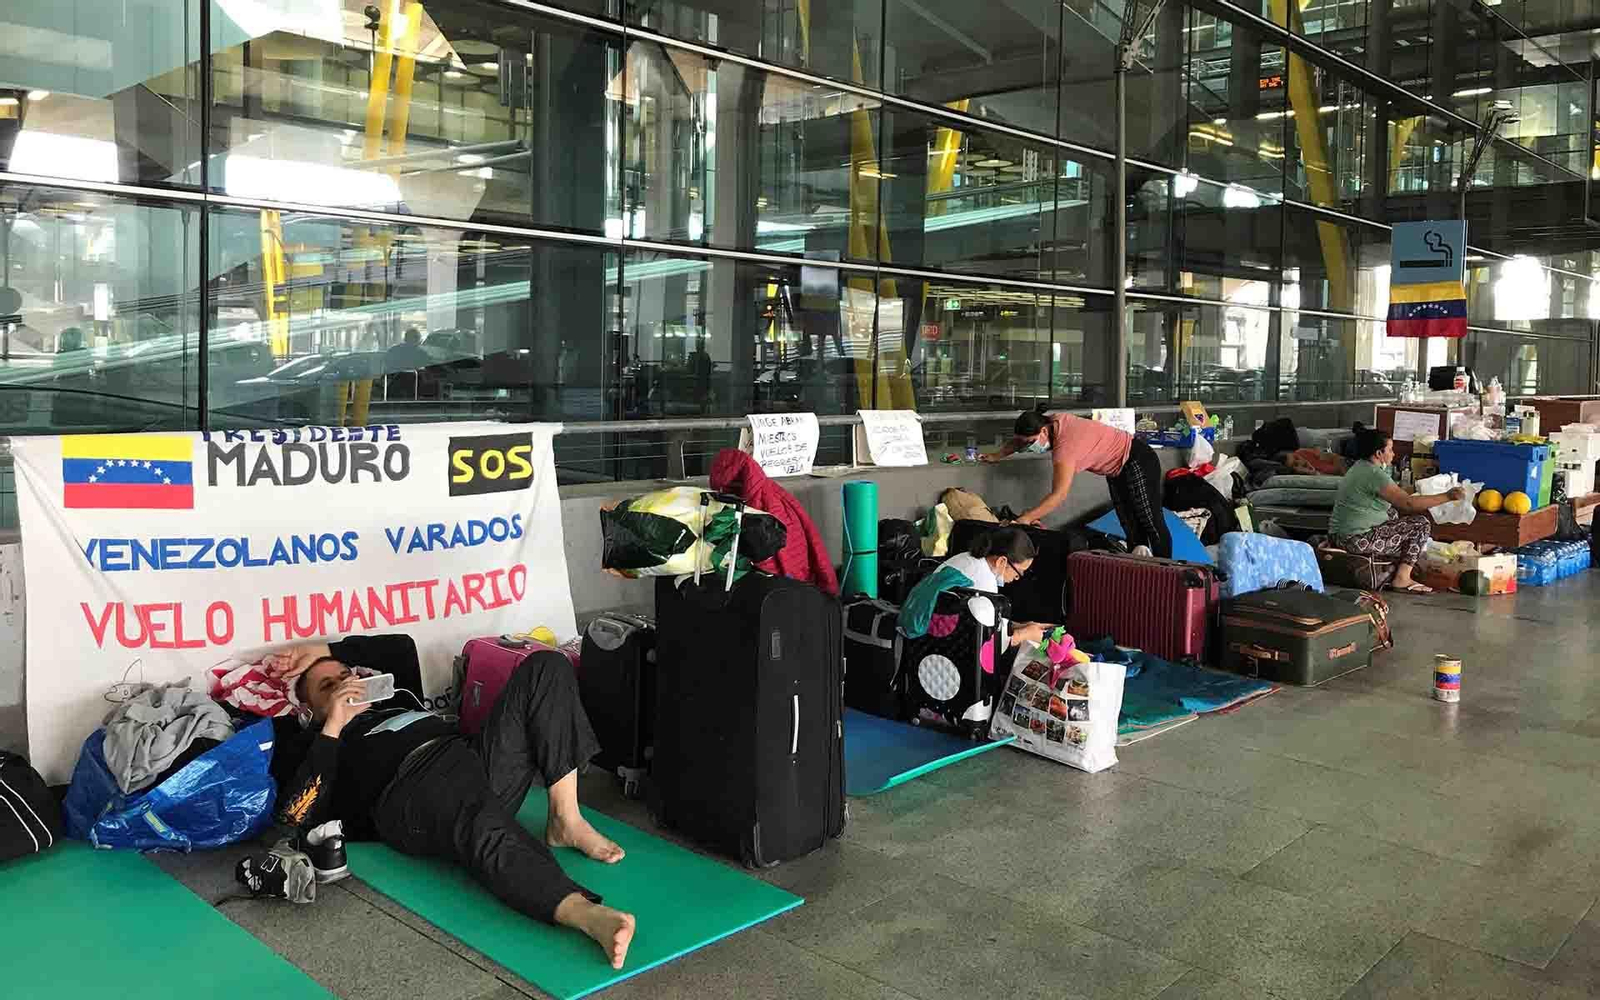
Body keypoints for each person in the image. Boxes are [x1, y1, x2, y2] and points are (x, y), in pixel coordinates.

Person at [264, 635, 636, 969]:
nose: (345, 686)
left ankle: (565, 817)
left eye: (346, 676)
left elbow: (398, 645)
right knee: (477, 820)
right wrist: (333, 724)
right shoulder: (312, 741)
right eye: (328, 686)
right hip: (409, 792)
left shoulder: (395, 696)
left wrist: (321, 650)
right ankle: (584, 913)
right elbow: (294, 814)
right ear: (308, 711)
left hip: (469, 757)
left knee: (546, 666)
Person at [983, 404, 1171, 558]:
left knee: (1149, 519)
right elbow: (1019, 441)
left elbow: (1059, 495)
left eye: (1030, 443)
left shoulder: (1065, 446)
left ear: (1043, 431)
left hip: (1137, 459)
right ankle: (1141, 569)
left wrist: (1026, 519)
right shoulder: (1049, 422)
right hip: (1116, 468)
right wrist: (996, 455)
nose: (1028, 447)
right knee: (1129, 522)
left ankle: (1167, 570)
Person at [1328, 428, 1464, 594]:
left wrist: (1420, 487)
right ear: (1379, 453)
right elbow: (1408, 503)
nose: (1393, 454)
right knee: (1420, 525)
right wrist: (1448, 496)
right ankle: (1402, 577)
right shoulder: (1374, 474)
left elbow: (1396, 493)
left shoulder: (1360, 467)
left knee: (1392, 513)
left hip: (1338, 536)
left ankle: (1395, 566)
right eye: (1390, 450)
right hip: (1355, 540)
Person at [709, 448, 839, 595]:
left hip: (782, 582)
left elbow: (781, 553)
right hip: (790, 579)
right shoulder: (773, 494)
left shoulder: (766, 503)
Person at [903, 525, 1053, 647]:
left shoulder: (967, 558)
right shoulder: (986, 584)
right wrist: (1025, 634)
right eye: (1019, 572)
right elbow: (991, 645)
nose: (1017, 578)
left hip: (920, 624)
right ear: (1002, 561)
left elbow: (983, 620)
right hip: (937, 641)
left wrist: (1020, 626)